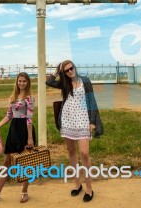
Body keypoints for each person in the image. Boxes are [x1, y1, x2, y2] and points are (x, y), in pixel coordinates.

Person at [46, 60, 104, 202]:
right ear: (63, 72)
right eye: (66, 70)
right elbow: (49, 82)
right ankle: (77, 184)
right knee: (71, 152)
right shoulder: (64, 83)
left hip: (83, 120)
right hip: (68, 120)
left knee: (84, 153)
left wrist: (92, 121)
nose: (70, 71)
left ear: (75, 68)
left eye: (71, 68)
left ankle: (89, 188)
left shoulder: (85, 81)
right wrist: (56, 71)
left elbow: (91, 101)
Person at [0, 72, 36, 205]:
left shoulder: (30, 98)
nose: (22, 83)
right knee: (6, 163)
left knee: (27, 162)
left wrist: (30, 138)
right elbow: (9, 116)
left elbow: (29, 119)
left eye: (24, 81)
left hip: (26, 131)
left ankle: (25, 192)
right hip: (14, 131)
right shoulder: (13, 97)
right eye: (20, 81)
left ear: (28, 83)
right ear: (17, 82)